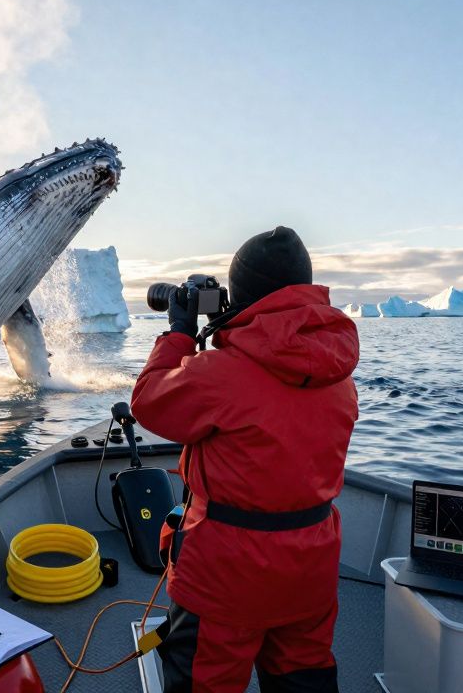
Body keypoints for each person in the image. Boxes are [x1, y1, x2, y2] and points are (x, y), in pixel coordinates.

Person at [131, 226, 359, 693]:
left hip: (227, 577)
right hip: (311, 565)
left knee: (206, 681)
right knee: (305, 676)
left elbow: (150, 402)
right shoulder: (339, 374)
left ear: (242, 297)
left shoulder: (221, 374)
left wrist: (179, 334)